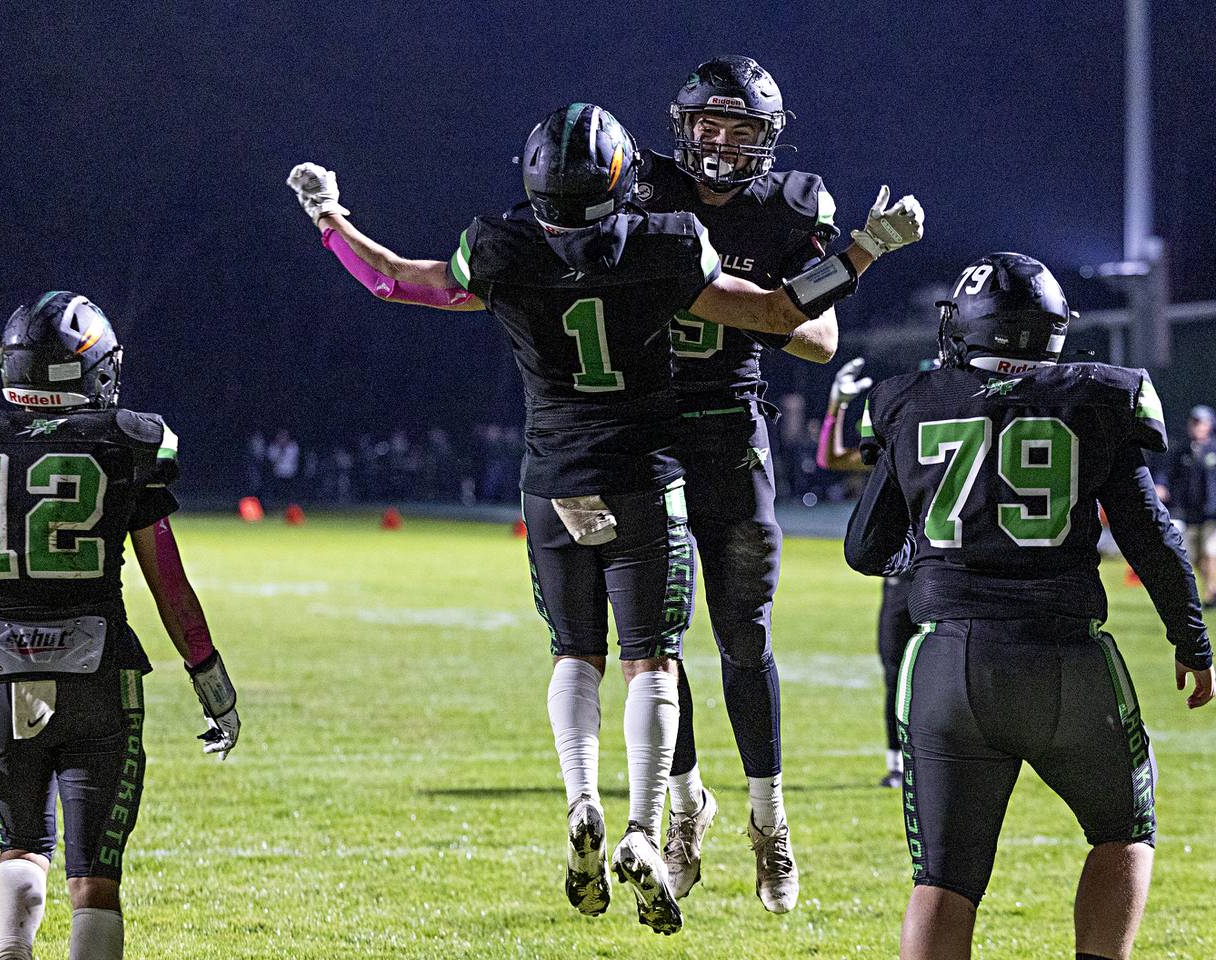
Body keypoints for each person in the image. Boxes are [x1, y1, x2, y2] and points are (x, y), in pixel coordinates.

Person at [288, 102, 921, 934]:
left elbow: (391, 279)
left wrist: (329, 218)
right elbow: (779, 314)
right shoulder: (666, 245)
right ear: (627, 180)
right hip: (642, 469)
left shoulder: (500, 246)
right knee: (652, 663)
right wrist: (867, 250)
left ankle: (583, 798)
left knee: (573, 656)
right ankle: (640, 828)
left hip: (550, 478)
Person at [845, 253, 1216, 960]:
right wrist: (1191, 638)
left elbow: (866, 548)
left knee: (944, 880)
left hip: (949, 661)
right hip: (1065, 658)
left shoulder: (907, 399)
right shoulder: (1100, 394)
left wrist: (928, 563)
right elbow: (1148, 533)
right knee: (1123, 831)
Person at [0, 292, 240, 960]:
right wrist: (211, 677)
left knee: (21, 848)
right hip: (98, 680)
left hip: (1, 675)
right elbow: (168, 581)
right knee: (95, 883)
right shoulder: (128, 442)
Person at [636, 55, 895, 912]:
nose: (719, 141)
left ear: (767, 141)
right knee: (656, 645)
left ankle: (769, 824)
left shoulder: (789, 207)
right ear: (683, 126)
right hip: (644, 435)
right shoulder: (638, 187)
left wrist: (762, 305)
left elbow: (817, 338)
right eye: (709, 124)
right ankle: (683, 811)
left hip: (730, 432)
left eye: (740, 130)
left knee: (744, 640)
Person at [816, 356, 909, 789]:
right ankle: (898, 763)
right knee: (894, 674)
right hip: (899, 579)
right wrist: (837, 405)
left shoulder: (954, 439)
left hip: (939, 574)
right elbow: (831, 457)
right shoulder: (895, 451)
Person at [1151, 405, 1216, 607]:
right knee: (1195, 556)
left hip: (1215, 512)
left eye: (1201, 422)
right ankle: (1213, 588)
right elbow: (1166, 473)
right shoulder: (1183, 450)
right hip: (1190, 512)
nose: (1197, 426)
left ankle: (1211, 594)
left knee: (1211, 551)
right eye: (1194, 422)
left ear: (1209, 425)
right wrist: (1161, 486)